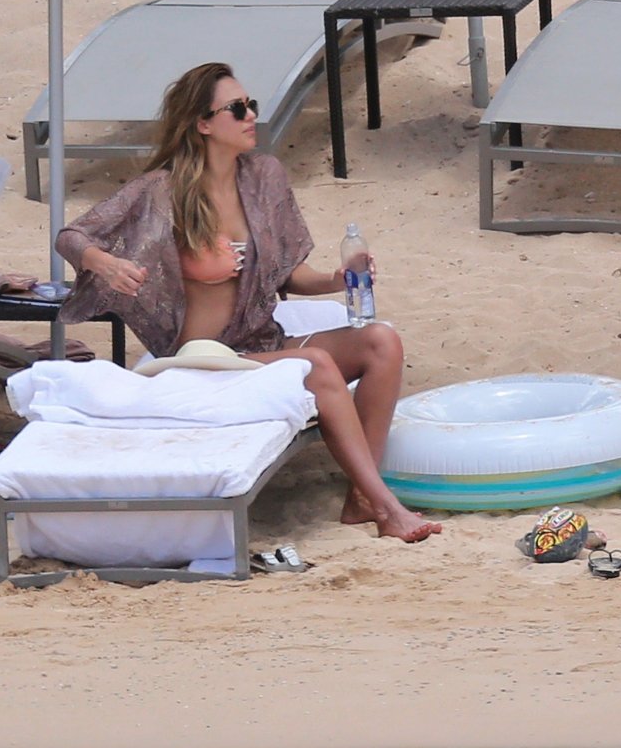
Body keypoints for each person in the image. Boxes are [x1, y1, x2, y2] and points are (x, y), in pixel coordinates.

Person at [56, 62, 442, 544]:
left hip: (261, 344)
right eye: (236, 109)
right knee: (317, 364)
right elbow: (71, 236)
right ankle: (388, 509)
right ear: (203, 123)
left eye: (251, 105)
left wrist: (337, 278)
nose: (251, 115)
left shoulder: (263, 177)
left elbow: (288, 275)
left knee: (382, 341)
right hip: (203, 361)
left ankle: (362, 499)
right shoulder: (162, 190)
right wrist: (106, 264)